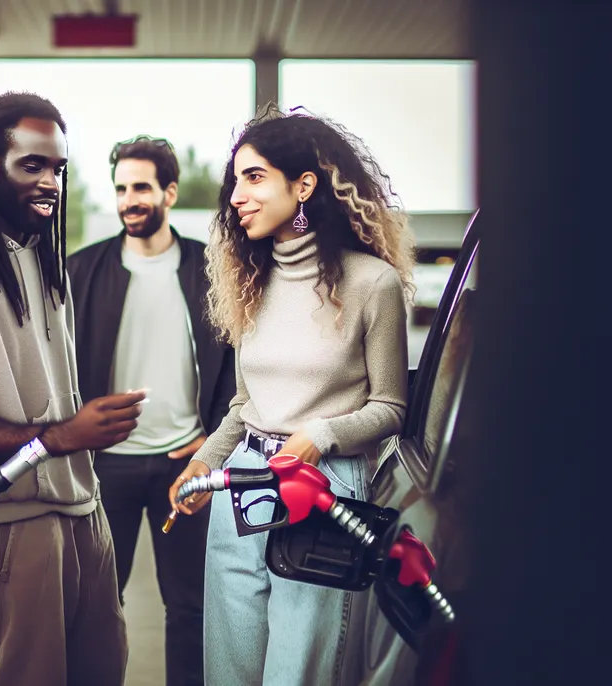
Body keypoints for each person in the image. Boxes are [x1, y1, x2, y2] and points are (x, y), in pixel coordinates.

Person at [167, 104, 416, 686]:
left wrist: (320, 436)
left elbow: (392, 408)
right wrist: (205, 464)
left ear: (303, 185)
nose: (237, 196)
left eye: (254, 177)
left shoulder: (371, 284)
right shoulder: (250, 281)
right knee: (228, 665)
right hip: (244, 479)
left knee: (295, 671)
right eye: (236, 181)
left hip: (323, 487)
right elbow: (244, 404)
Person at [0, 91, 144, 686]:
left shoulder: (43, 256)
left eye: (58, 169)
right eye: (33, 166)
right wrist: (66, 434)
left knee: (102, 672)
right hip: (16, 520)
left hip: (81, 506)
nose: (50, 182)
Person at [67, 134, 236, 686]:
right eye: (120, 188)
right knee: (94, 609)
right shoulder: (81, 271)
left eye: (141, 187)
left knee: (189, 610)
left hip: (182, 465)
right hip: (105, 464)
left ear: (169, 191)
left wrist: (212, 437)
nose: (128, 200)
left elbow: (240, 359)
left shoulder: (211, 270)